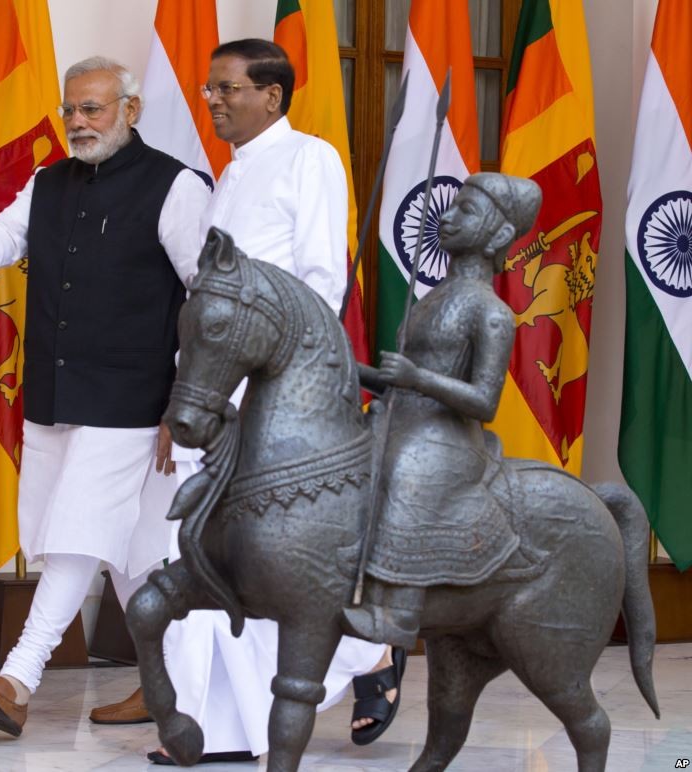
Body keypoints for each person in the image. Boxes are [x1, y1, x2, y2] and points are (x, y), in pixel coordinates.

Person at [89, 39, 403, 763]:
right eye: (208, 90)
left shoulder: (310, 159)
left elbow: (321, 284)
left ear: (273, 95)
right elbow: (212, 305)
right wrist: (185, 396)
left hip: (274, 401)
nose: (213, 101)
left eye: (227, 89)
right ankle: (222, 725)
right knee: (208, 554)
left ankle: (358, 659)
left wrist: (265, 389)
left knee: (257, 557)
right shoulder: (227, 176)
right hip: (214, 394)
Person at [0, 56, 211, 738]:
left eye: (93, 109)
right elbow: (2, 236)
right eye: (71, 111)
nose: (79, 123)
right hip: (57, 391)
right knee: (138, 550)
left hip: (134, 399)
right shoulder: (48, 182)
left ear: (130, 110)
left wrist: (189, 398)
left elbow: (209, 296)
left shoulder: (175, 186)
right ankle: (167, 688)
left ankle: (17, 679)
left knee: (76, 535)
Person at [343, 172, 541, 649]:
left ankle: (399, 612)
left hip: (445, 438)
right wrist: (350, 369)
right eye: (451, 207)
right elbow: (398, 380)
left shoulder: (490, 311)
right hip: (401, 417)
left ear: (498, 235)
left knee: (406, 467)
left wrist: (419, 379)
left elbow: (485, 401)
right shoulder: (431, 298)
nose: (446, 218)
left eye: (465, 211)